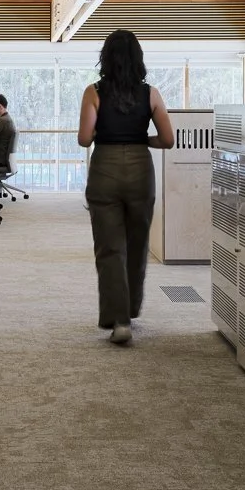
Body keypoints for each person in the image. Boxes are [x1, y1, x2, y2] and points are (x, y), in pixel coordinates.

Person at [78, 31, 174, 345]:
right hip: (140, 169)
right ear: (138, 58)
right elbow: (167, 140)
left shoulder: (94, 91)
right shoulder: (151, 94)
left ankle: (119, 320)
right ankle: (130, 310)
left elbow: (84, 138)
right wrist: (139, 139)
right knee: (136, 242)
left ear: (105, 57)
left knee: (109, 247)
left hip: (104, 167)